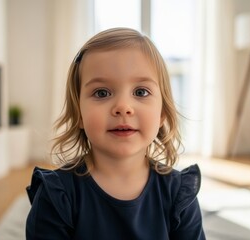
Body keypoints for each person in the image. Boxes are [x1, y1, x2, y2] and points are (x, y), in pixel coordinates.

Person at [26, 27, 206, 240]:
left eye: (141, 92)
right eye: (102, 93)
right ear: (79, 115)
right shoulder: (56, 195)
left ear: (162, 114)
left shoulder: (179, 195)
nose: (123, 106)